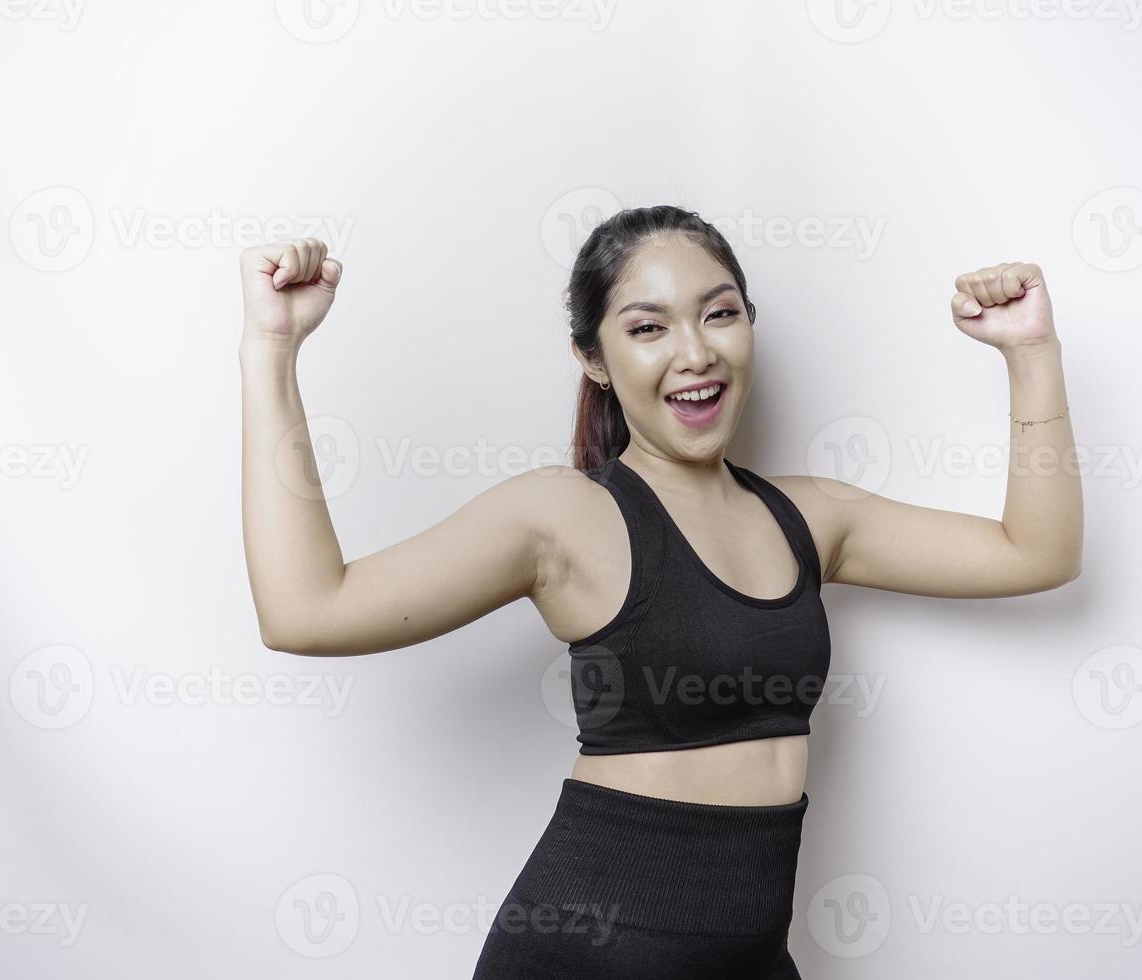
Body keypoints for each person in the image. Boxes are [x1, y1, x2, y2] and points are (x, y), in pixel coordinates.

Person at [236, 205, 1082, 978]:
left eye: (720, 313)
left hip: (752, 958)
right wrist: (272, 352)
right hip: (591, 957)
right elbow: (306, 611)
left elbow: (1035, 553)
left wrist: (1030, 353)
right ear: (594, 359)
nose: (696, 351)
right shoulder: (563, 516)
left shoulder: (813, 517)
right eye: (648, 327)